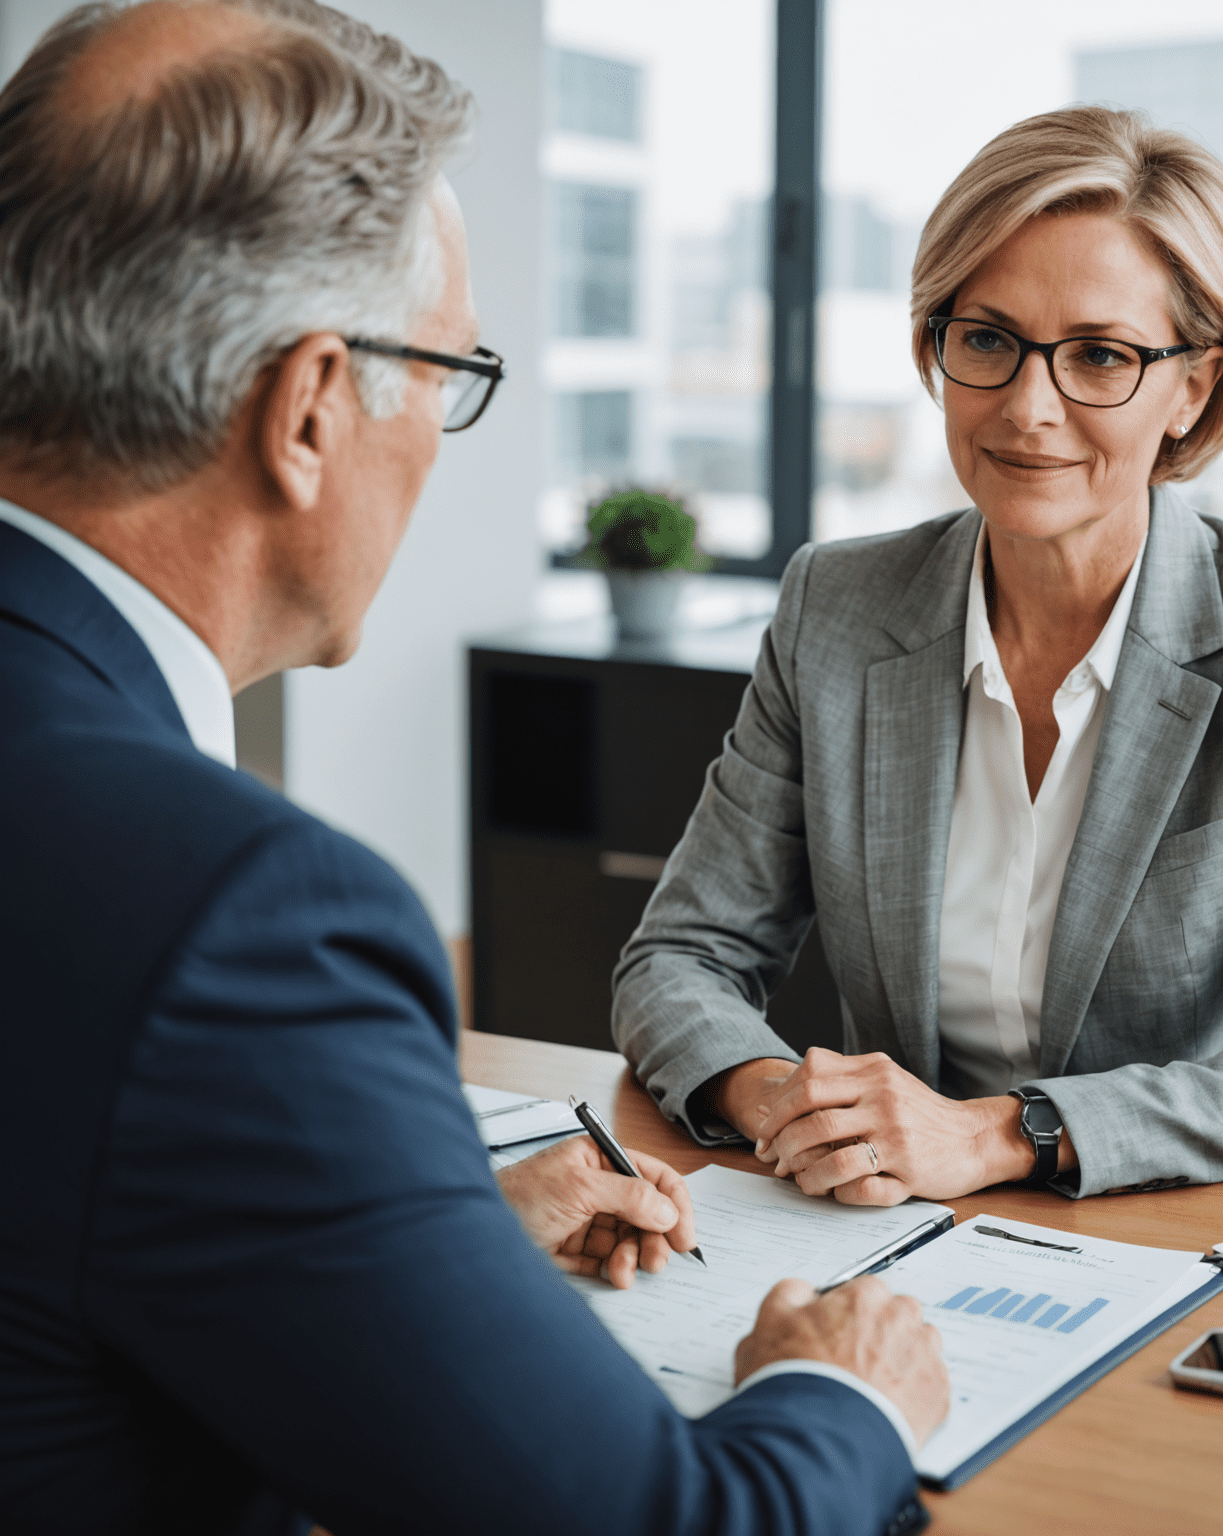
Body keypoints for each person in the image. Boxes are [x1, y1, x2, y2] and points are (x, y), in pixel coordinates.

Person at [0, 4, 947, 1534]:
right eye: (448, 374)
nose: (441, 439)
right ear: (310, 412)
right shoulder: (230, 915)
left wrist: (425, 1241)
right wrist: (843, 1390)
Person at [614, 107, 1223, 1205]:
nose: (1029, 409)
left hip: (1197, 1225)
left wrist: (999, 1138)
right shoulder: (836, 608)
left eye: (1100, 356)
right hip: (898, 1231)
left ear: (1194, 385)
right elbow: (678, 959)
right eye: (988, 338)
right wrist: (788, 1105)